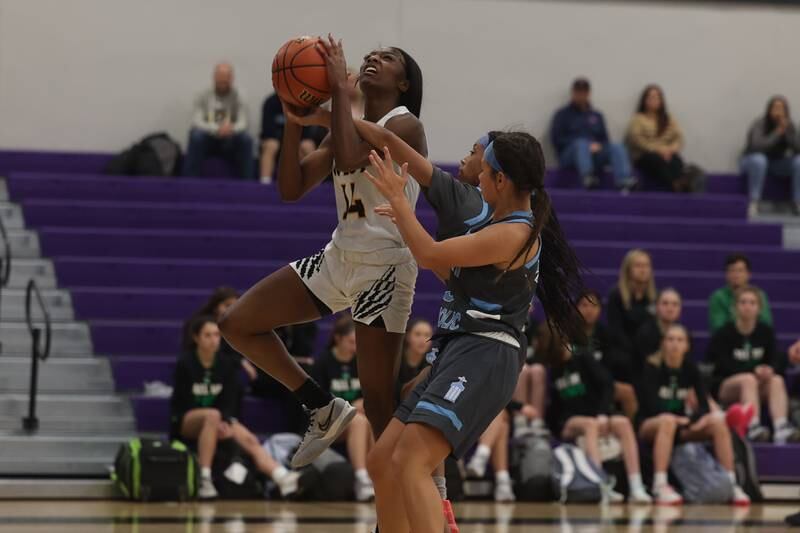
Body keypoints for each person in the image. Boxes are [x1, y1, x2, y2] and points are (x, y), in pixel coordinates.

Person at [359, 130, 589, 532]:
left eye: (484, 170)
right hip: (460, 349)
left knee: (411, 460)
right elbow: (451, 272)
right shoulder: (495, 225)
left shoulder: (514, 232)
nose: (477, 176)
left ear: (501, 180)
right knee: (383, 461)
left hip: (486, 353)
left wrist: (400, 202)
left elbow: (430, 255)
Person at [219, 36, 427, 472]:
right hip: (339, 256)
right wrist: (294, 118)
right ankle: (320, 405)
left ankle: (416, 501)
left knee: (379, 401)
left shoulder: (405, 124)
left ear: (404, 82)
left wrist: (334, 91)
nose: (372, 58)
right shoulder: (342, 127)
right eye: (369, 54)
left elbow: (352, 159)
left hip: (384, 267)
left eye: (386, 58)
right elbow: (291, 189)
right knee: (237, 323)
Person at [170, 316, 301, 500]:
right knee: (212, 415)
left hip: (218, 420)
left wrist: (223, 420)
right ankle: (204, 479)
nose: (213, 340)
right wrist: (216, 421)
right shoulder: (185, 363)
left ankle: (281, 476)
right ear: (196, 338)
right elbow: (181, 403)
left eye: (216, 335)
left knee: (248, 438)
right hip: (187, 421)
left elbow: (230, 400)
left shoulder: (225, 364)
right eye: (207, 335)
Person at [637, 324, 750, 506]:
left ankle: (731, 484)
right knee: (667, 420)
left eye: (680, 340)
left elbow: (704, 405)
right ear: (663, 343)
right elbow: (649, 406)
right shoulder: (651, 367)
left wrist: (694, 421)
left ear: (687, 346)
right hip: (651, 425)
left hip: (680, 426)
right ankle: (660, 485)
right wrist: (681, 420)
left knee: (718, 425)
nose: (675, 344)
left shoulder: (690, 368)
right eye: (670, 339)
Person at [542, 323, 652, 504]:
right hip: (569, 422)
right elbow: (555, 405)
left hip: (595, 414)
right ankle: (600, 483)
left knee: (623, 423)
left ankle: (636, 486)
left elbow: (608, 384)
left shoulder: (583, 357)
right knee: (590, 424)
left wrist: (602, 413)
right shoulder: (555, 367)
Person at [706, 286, 800, 443]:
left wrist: (769, 369)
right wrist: (753, 370)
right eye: (743, 302)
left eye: (752, 302)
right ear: (735, 307)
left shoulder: (765, 332)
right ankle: (752, 425)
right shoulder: (724, 333)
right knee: (748, 379)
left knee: (776, 380)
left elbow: (775, 359)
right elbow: (722, 366)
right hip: (727, 386)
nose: (747, 306)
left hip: (756, 385)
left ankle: (781, 426)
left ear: (759, 308)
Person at [312, 315, 376, 501]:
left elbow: (371, 393)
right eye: (351, 341)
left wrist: (365, 401)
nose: (355, 347)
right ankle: (361, 478)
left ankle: (375, 476)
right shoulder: (322, 363)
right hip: (324, 425)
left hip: (352, 423)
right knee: (357, 420)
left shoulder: (361, 362)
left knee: (369, 419)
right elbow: (316, 404)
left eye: (358, 343)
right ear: (338, 338)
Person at [550, 77, 635, 191]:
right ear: (573, 93)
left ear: (588, 93)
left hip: (595, 155)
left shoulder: (596, 115)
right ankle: (587, 177)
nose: (581, 95)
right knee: (581, 143)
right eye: (578, 92)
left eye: (584, 92)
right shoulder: (562, 114)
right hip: (570, 155)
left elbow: (605, 139)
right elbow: (557, 139)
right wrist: (585, 145)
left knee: (617, 146)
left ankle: (624, 180)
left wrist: (598, 146)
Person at [184, 63, 254, 180]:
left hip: (231, 138)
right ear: (214, 77)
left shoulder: (240, 95)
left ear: (231, 79)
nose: (222, 83)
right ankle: (190, 183)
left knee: (246, 139)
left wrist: (231, 128)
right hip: (208, 138)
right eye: (220, 80)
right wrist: (216, 129)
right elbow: (196, 121)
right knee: (196, 136)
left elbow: (244, 122)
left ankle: (248, 184)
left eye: (225, 80)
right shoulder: (202, 94)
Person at [576, 289, 638, 419]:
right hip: (576, 383)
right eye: (584, 305)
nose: (589, 310)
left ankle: (630, 430)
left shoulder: (607, 335)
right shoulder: (567, 334)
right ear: (576, 307)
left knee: (627, 391)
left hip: (600, 383)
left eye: (594, 305)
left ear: (600, 310)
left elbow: (609, 365)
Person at [739, 96, 800, 217]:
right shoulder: (760, 123)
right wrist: (777, 133)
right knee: (760, 160)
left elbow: (797, 148)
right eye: (775, 107)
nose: (778, 111)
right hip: (752, 161)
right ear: (769, 109)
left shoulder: (789, 126)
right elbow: (757, 146)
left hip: (776, 163)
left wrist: (786, 132)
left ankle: (797, 201)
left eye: (781, 108)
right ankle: (754, 201)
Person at [626, 85, 687, 192]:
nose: (654, 100)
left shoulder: (668, 118)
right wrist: (658, 150)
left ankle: (682, 183)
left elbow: (679, 138)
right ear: (644, 100)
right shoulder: (638, 119)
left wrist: (671, 149)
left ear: (661, 100)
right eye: (650, 97)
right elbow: (637, 140)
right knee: (655, 160)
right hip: (644, 155)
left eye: (657, 97)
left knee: (677, 160)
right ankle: (676, 185)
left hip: (666, 152)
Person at [258, 93, 325, 184]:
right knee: (271, 145)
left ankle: (313, 183)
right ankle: (265, 182)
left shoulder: (302, 104)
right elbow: (268, 132)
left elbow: (306, 132)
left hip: (297, 142)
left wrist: (294, 143)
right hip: (277, 142)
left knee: (307, 145)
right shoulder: (270, 102)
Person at [606, 249, 657, 356]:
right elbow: (615, 331)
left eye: (646, 265)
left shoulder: (656, 297)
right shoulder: (616, 295)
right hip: (624, 352)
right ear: (628, 270)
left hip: (649, 353)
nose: (643, 269)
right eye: (638, 265)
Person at [708, 253, 773, 333]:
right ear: (726, 274)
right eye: (732, 270)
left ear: (749, 274)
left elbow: (766, 323)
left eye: (740, 271)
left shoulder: (759, 295)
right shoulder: (718, 297)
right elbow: (717, 326)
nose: (736, 275)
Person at [634, 288, 683, 371]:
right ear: (657, 306)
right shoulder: (645, 334)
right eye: (665, 303)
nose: (670, 309)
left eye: (675, 304)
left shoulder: (684, 334)